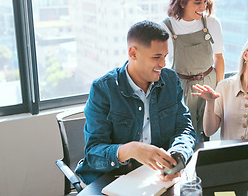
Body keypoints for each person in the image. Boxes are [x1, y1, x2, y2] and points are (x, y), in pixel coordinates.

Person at [75, 21, 196, 185]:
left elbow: (184, 129)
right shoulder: (103, 89)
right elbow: (93, 155)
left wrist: (178, 154)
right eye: (156, 57)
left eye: (165, 56)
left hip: (155, 178)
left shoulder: (171, 80)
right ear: (133, 53)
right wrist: (130, 150)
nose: (163, 64)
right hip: (112, 179)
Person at [161, 0, 225, 142]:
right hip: (182, 88)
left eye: (205, 1)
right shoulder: (166, 27)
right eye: (197, 2)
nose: (203, 7)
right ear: (182, 2)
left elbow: (219, 58)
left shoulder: (211, 23)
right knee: (184, 135)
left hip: (209, 86)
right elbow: (160, 66)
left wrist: (218, 91)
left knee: (207, 135)